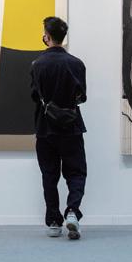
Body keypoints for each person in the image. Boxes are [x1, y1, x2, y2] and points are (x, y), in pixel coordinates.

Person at [30, 16, 87, 240]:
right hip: (71, 127)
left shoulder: (37, 65)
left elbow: (34, 96)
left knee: (49, 175)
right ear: (63, 37)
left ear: (47, 36)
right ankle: (72, 211)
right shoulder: (77, 64)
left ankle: (54, 222)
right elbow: (82, 97)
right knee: (76, 173)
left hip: (45, 128)